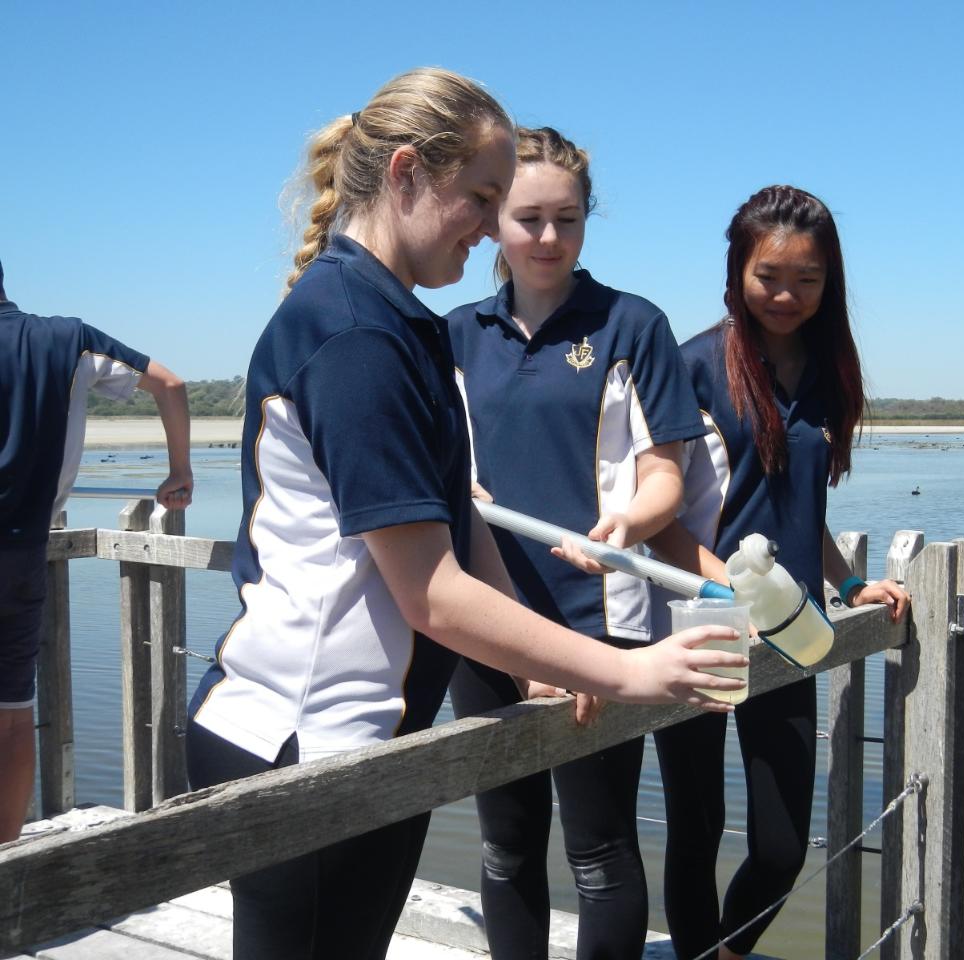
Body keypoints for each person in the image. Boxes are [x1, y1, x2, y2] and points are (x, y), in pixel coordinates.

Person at [184, 72, 744, 960]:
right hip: (302, 736)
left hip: (371, 734)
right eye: (482, 197)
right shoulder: (355, 335)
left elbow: (462, 521)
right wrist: (626, 672)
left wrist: (536, 664)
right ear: (405, 173)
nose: (494, 225)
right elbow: (430, 595)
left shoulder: (401, 323)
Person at [445, 125, 705, 960]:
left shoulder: (632, 324)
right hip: (484, 620)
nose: (549, 238)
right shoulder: (452, 333)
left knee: (598, 849)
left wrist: (631, 519)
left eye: (568, 217)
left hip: (602, 620)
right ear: (491, 222)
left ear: (589, 218)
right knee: (506, 841)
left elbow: (665, 471)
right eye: (528, 218)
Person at [646, 185, 911, 960]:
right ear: (736, 273)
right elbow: (659, 517)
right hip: (699, 622)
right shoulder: (690, 367)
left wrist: (848, 583)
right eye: (770, 276)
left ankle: (726, 954)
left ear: (831, 282)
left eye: (809, 279)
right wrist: (729, 595)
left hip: (791, 626)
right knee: (694, 832)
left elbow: (798, 506)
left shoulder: (827, 374)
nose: (788, 295)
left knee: (783, 844)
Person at [0, 257, 192, 843]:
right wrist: (179, 471)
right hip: (22, 552)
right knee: (12, 719)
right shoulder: (67, 341)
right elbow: (171, 383)